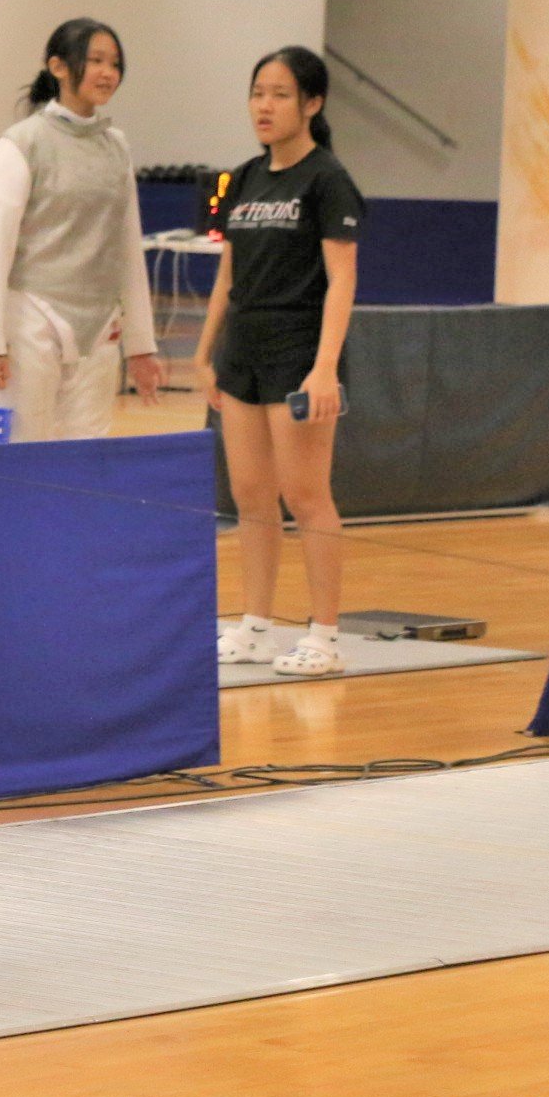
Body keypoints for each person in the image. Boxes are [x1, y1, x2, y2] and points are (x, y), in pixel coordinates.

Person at [196, 48, 364, 680]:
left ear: (312, 104)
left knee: (305, 493)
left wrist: (325, 369)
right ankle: (257, 625)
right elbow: (228, 273)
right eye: (257, 92)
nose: (264, 106)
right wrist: (207, 352)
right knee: (250, 495)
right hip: (243, 350)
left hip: (299, 351)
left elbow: (342, 280)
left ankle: (324, 636)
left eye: (280, 94)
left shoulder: (328, 180)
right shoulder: (239, 179)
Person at [0, 18, 165, 441]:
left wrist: (142, 346)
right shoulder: (21, 144)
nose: (108, 72)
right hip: (32, 317)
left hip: (99, 324)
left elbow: (128, 247)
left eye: (114, 63)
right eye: (95, 61)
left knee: (87, 456)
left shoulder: (116, 146)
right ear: (58, 67)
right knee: (24, 452)